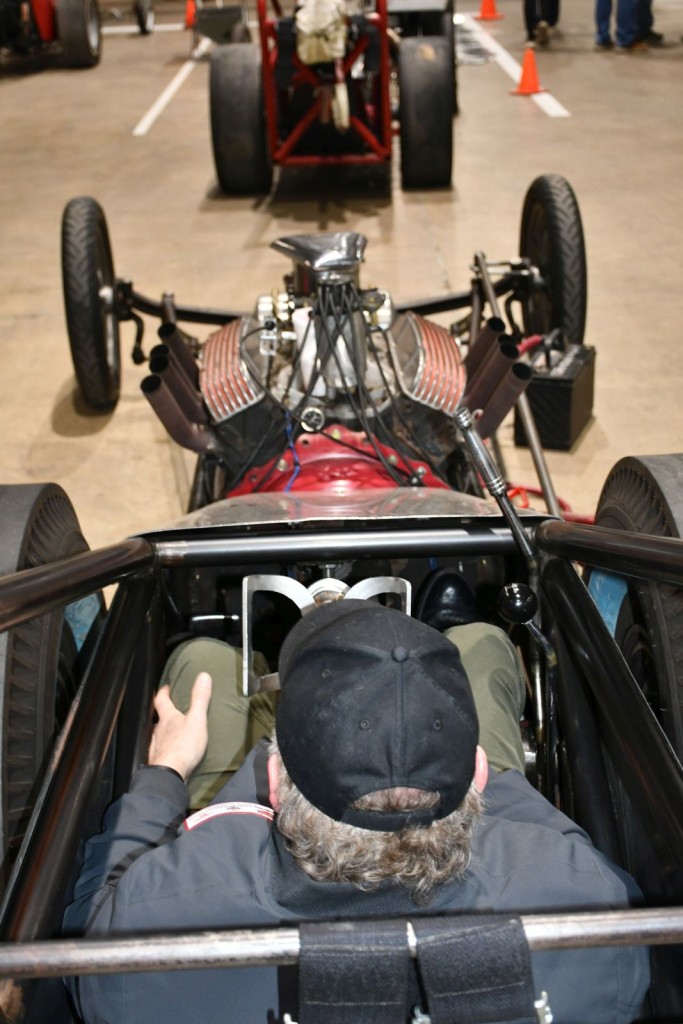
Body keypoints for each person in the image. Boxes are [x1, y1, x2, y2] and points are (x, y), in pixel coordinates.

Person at [63, 600, 650, 1024]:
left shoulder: (156, 926)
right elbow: (562, 842)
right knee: (483, 643)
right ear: (476, 774)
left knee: (203, 658)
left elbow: (90, 921)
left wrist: (165, 772)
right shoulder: (590, 908)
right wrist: (492, 774)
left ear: (273, 782)